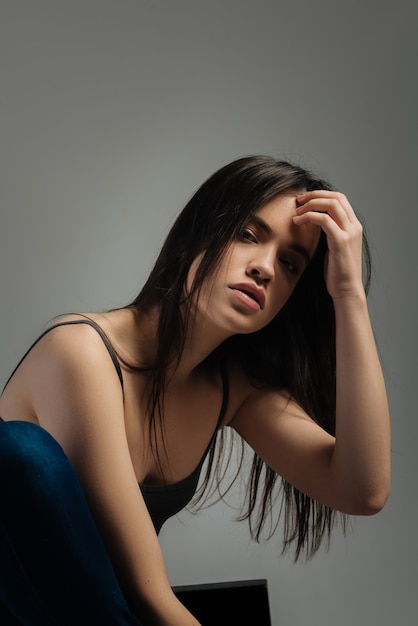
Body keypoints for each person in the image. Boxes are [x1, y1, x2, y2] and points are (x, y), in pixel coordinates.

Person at [0, 155, 391, 625]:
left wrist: (349, 294)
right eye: (248, 235)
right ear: (195, 233)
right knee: (23, 451)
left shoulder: (230, 389)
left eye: (289, 264)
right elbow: (146, 595)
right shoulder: (82, 351)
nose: (265, 268)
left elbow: (361, 489)